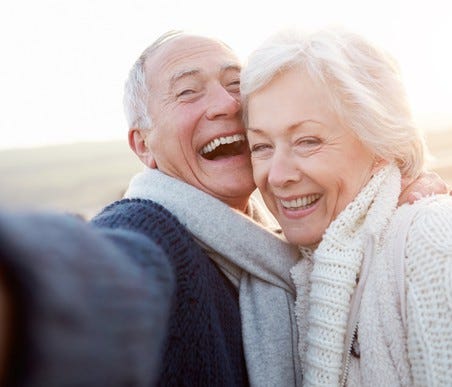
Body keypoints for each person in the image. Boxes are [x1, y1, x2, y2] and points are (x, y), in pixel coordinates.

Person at [0, 30, 449, 387]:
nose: (226, 103)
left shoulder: (297, 251)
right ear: (143, 145)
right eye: (188, 91)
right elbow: (109, 274)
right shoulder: (150, 231)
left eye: (236, 85)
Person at [240, 27, 452, 386]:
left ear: (382, 140)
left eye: (307, 141)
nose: (277, 176)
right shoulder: (299, 264)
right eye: (261, 146)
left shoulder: (430, 245)